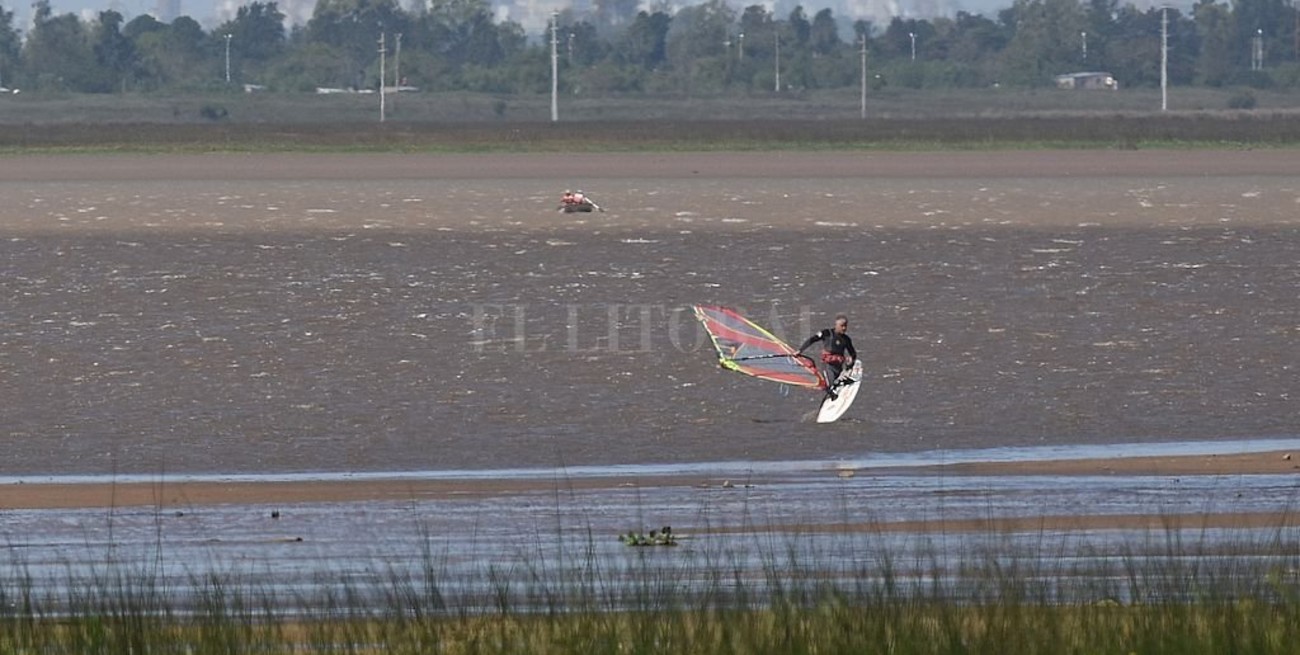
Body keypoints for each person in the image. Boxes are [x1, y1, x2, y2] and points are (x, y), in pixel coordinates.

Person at [798, 314, 857, 400]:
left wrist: (851, 359)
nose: (844, 328)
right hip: (828, 366)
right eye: (842, 326)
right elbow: (812, 339)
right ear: (836, 325)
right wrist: (800, 350)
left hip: (839, 366)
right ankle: (831, 395)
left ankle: (839, 386)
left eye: (845, 326)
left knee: (838, 383)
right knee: (830, 386)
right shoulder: (826, 333)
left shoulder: (846, 339)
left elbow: (853, 353)